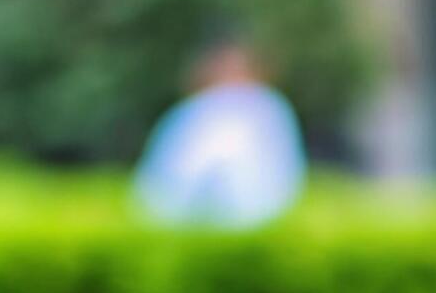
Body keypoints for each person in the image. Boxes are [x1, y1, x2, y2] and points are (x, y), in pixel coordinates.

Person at [132, 30, 308, 229]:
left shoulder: (267, 107)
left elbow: (282, 177)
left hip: (256, 222)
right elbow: (162, 181)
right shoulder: (191, 112)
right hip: (185, 221)